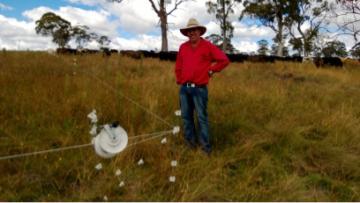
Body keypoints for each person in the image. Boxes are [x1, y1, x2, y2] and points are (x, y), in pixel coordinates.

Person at [175, 18, 230, 155]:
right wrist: (180, 80)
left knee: (201, 119)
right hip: (184, 89)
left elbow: (224, 60)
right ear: (187, 33)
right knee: (186, 119)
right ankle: (190, 145)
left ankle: (205, 149)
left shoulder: (208, 46)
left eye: (194, 30)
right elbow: (178, 67)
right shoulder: (183, 47)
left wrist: (212, 70)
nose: (192, 32)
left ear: (199, 31)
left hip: (199, 89)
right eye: (189, 31)